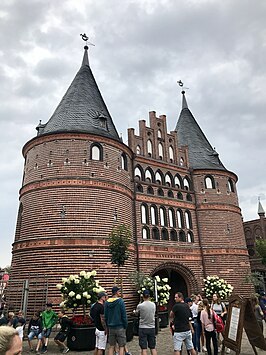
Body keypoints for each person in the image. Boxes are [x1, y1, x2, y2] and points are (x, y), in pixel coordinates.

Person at [104, 286, 128, 355]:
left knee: (111, 346)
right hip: (120, 326)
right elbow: (123, 315)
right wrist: (125, 325)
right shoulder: (120, 301)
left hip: (111, 327)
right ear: (117, 292)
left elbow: (106, 316)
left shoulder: (107, 303)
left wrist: (107, 325)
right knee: (121, 346)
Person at [135, 289, 157, 355]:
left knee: (144, 348)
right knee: (153, 347)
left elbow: (136, 313)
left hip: (143, 327)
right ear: (149, 296)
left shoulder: (140, 306)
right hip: (152, 327)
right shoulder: (153, 305)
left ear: (143, 296)